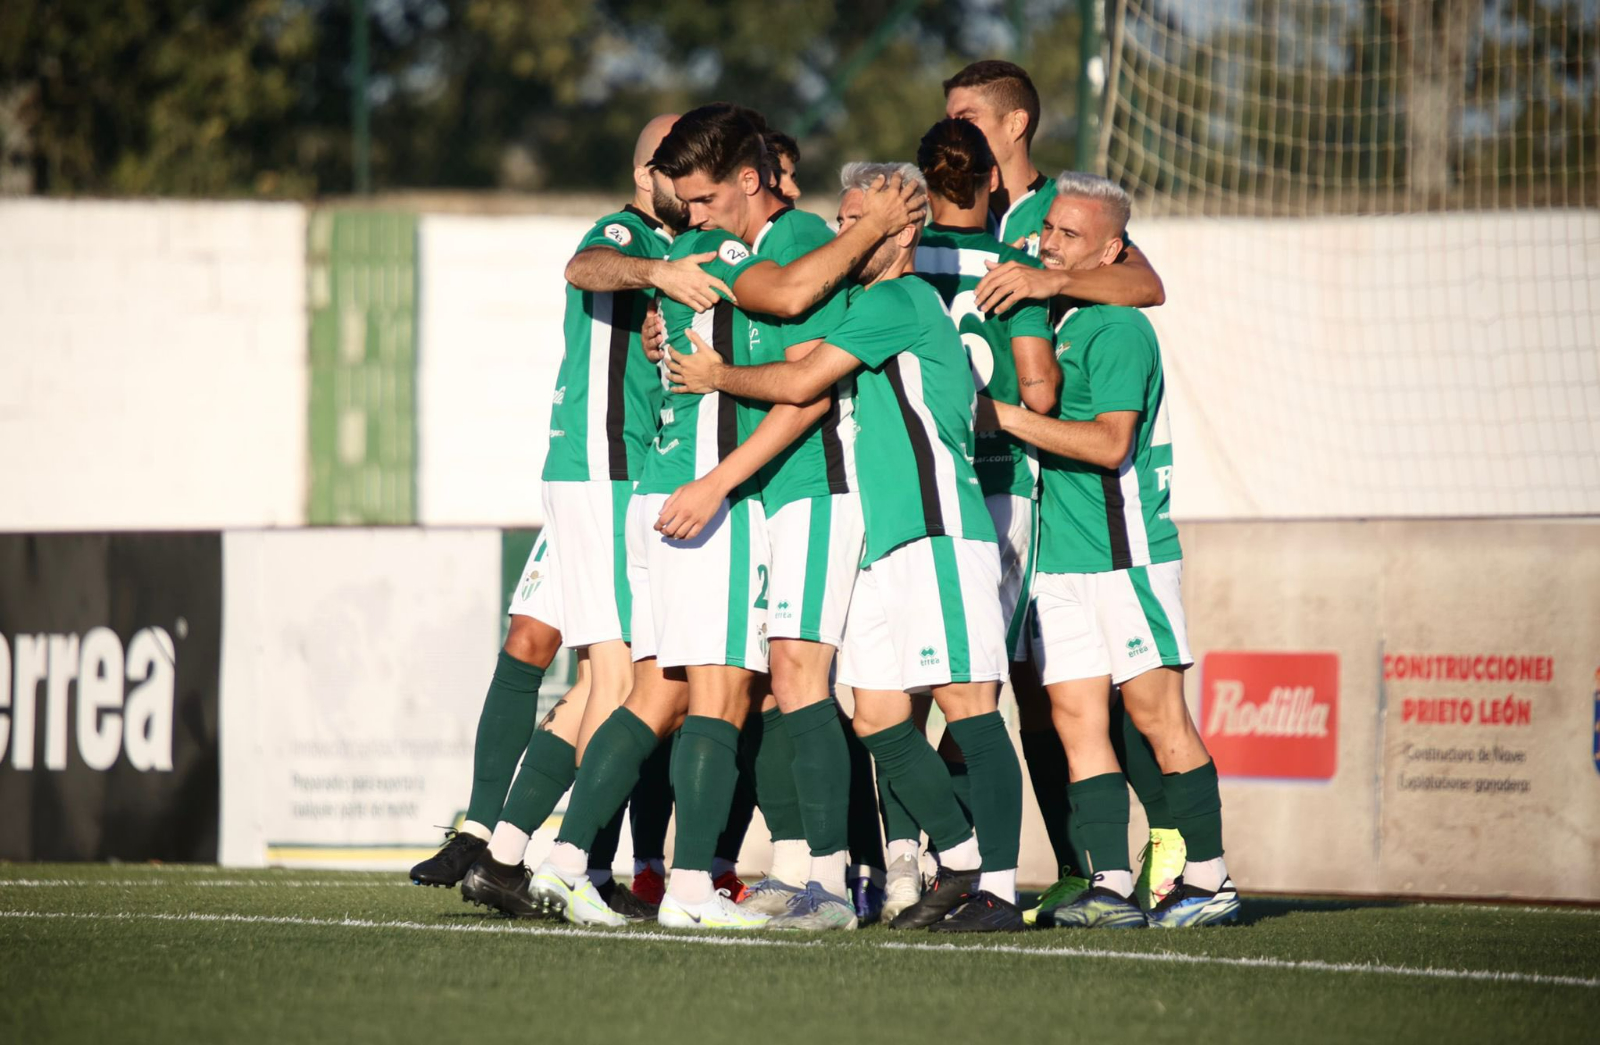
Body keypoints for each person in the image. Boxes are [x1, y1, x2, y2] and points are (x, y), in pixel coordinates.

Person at [525, 104, 923, 931]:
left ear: (747, 179)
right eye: (686, 201)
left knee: (660, 693)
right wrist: (718, 483)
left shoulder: (738, 244)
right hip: (702, 495)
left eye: (702, 198)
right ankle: (693, 889)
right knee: (724, 693)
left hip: (676, 491)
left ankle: (562, 859)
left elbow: (792, 311)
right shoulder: (724, 247)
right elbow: (794, 327)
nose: (689, 216)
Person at [670, 162, 1026, 934]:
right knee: (878, 719)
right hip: (888, 541)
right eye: (838, 218)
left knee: (970, 709)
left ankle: (998, 887)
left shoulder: (900, 298)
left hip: (937, 528)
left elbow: (804, 382)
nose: (842, 232)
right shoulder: (869, 303)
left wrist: (717, 374)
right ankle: (959, 859)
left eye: (857, 218)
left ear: (903, 230)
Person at [409, 114, 717, 919]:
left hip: (611, 473)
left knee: (601, 681)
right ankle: (558, 860)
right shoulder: (630, 231)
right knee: (621, 678)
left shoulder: (684, 244)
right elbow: (584, 265)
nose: (683, 183)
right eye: (670, 167)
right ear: (647, 170)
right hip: (603, 469)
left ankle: (506, 852)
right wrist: (659, 276)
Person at [944, 58, 1185, 914]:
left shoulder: (1064, 214)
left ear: (1015, 124)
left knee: (1063, 696)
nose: (956, 129)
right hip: (962, 483)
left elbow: (1145, 284)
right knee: (971, 685)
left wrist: (1053, 278)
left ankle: (1145, 857)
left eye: (970, 114)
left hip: (1050, 487)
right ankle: (959, 870)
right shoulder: (944, 203)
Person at [978, 174, 1238, 929]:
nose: (1050, 243)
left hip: (1127, 555)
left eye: (1069, 235)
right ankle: (1111, 882)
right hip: (1061, 559)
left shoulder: (1119, 329)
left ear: (1112, 249)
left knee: (1158, 716)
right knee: (1075, 717)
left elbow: (1109, 443)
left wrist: (1003, 419)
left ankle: (1211, 876)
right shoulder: (1058, 318)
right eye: (1049, 230)